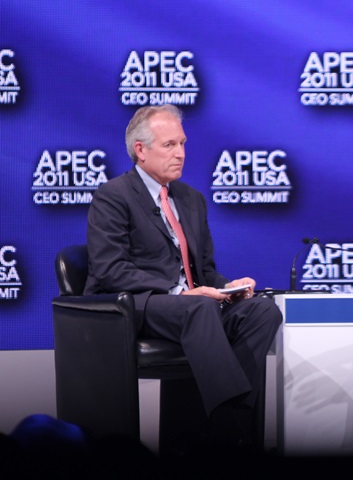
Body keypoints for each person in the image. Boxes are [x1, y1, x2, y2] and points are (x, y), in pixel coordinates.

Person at [84, 104, 283, 447]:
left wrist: (228, 287)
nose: (181, 154)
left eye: (183, 143)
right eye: (169, 145)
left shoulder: (191, 199)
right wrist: (178, 293)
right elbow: (109, 270)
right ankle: (229, 430)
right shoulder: (113, 196)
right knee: (199, 308)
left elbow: (203, 271)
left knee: (263, 310)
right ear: (140, 150)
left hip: (192, 308)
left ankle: (229, 417)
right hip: (140, 306)